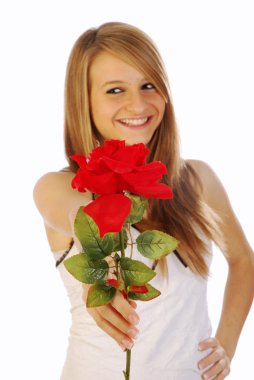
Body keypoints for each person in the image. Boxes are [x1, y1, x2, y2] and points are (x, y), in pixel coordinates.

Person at [33, 22, 254, 380]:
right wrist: (100, 268)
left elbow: (243, 260)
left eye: (148, 84)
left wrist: (225, 345)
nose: (137, 103)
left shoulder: (197, 181)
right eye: (115, 90)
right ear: (84, 101)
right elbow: (78, 215)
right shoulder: (59, 186)